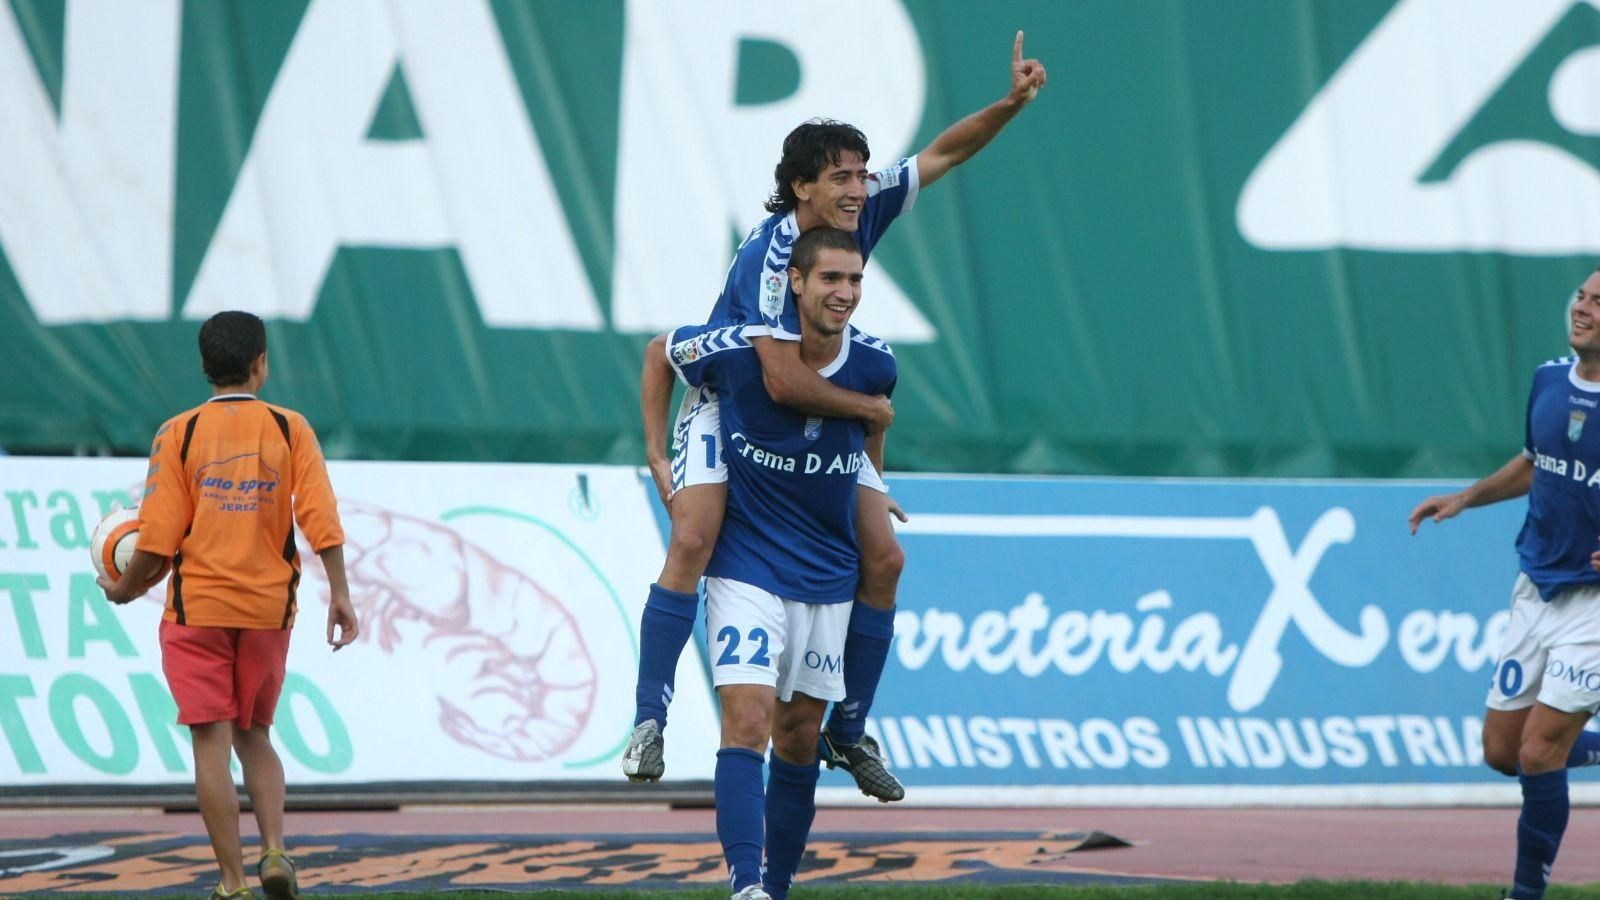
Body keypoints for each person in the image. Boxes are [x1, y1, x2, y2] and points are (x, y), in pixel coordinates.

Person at [625, 31, 1048, 799]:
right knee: (692, 536)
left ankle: (849, 731)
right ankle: (649, 716)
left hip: (819, 404)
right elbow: (779, 382)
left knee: (884, 558)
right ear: (800, 191)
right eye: (840, 177)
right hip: (735, 403)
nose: (858, 187)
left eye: (860, 173)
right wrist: (871, 413)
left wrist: (1012, 105)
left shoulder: (856, 208)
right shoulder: (768, 258)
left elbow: (945, 154)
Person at [642, 228, 895, 900]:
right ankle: (745, 886)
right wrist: (656, 451)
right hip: (747, 567)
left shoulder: (874, 361)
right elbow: (660, 352)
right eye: (831, 280)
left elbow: (876, 423)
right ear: (797, 285)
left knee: (800, 737)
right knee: (748, 722)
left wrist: (873, 480)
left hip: (825, 573)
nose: (844, 293)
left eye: (855, 281)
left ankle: (778, 884)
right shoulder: (736, 349)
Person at [99, 311, 359, 900]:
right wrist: (340, 593)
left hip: (197, 611)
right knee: (256, 734)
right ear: (261, 363)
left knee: (210, 746)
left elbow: (159, 535)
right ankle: (274, 851)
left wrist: (126, 588)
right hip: (268, 610)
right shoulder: (291, 429)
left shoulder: (178, 432)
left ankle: (233, 882)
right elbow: (321, 518)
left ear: (203, 367)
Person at [1409, 268, 1600, 900]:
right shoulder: (1548, 378)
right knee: (1503, 751)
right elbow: (1533, 461)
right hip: (1536, 586)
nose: (1585, 308)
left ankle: (1524, 894)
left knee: (1541, 755)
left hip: (1595, 606)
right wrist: (1467, 497)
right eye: (1583, 296)